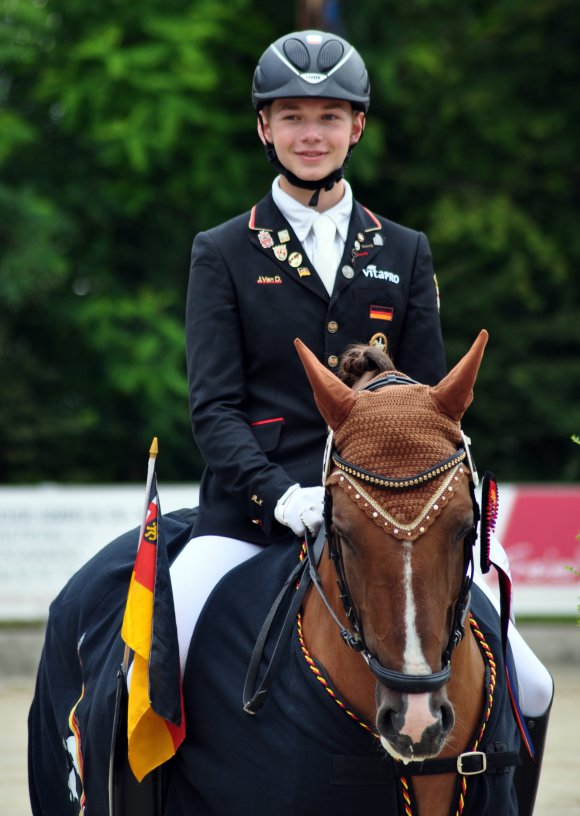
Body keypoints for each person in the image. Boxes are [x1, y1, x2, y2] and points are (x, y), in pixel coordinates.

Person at [170, 29, 552, 813]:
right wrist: (282, 496)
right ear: (264, 129)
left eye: (329, 117)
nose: (312, 134)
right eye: (293, 117)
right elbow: (214, 407)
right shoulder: (223, 252)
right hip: (253, 514)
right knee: (154, 652)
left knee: (533, 677)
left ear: (358, 128)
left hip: (391, 511)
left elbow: (428, 399)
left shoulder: (402, 251)